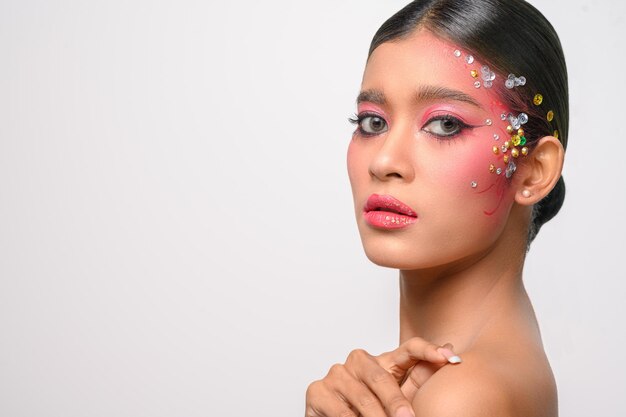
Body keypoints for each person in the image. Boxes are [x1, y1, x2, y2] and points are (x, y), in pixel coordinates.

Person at [305, 0, 568, 416]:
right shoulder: (495, 373)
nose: (385, 162)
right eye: (373, 122)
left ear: (534, 171)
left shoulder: (465, 395)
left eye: (445, 124)